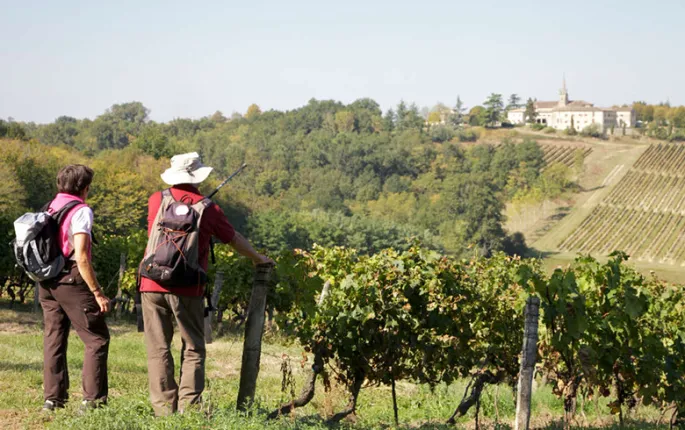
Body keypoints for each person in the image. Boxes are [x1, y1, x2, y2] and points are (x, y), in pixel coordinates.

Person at [140, 152, 272, 416]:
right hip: (187, 287)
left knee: (158, 348)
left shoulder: (156, 199)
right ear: (198, 177)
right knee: (193, 348)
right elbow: (233, 239)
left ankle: (164, 410)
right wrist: (258, 258)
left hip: (151, 283)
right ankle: (189, 409)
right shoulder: (208, 208)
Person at [39, 164, 111, 412]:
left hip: (47, 281)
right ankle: (92, 402)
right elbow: (81, 256)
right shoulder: (81, 211)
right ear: (85, 188)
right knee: (97, 339)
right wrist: (97, 292)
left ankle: (53, 399)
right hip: (71, 278)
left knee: (54, 339)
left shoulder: (52, 205)